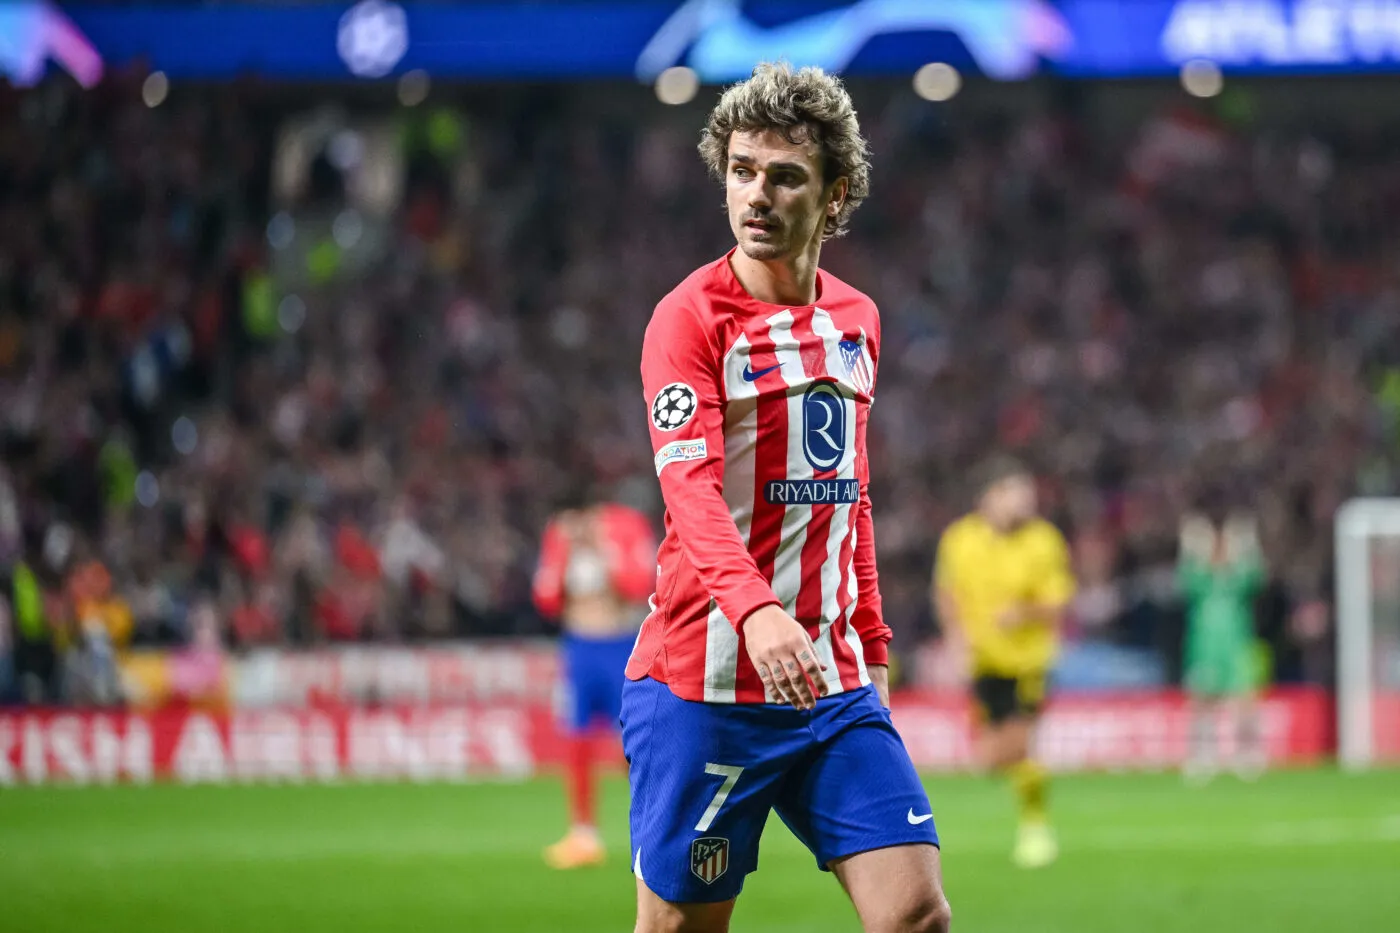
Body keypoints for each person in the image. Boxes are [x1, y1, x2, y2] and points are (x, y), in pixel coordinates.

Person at [626, 62, 949, 933]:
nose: (755, 194)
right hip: (708, 684)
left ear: (836, 194)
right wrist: (757, 612)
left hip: (829, 680)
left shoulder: (858, 320)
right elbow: (687, 489)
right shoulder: (689, 319)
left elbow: (848, 498)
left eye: (784, 176)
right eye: (740, 171)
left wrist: (871, 644)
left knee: (915, 913)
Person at [933, 457, 1074, 869]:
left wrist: (1024, 614)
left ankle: (1036, 826)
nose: (1025, 502)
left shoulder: (1044, 540)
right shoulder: (960, 539)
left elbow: (1059, 601)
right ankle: (1027, 812)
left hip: (1027, 661)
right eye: (1016, 493)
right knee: (990, 757)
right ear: (990, 497)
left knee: (1019, 742)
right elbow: (947, 594)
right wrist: (955, 640)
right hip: (982, 661)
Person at [533, 498, 657, 869]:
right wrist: (568, 552)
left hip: (620, 644)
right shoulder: (560, 535)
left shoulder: (626, 527)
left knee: (634, 742)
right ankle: (583, 834)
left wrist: (602, 551)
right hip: (579, 648)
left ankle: (656, 826)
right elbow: (546, 599)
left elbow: (638, 585)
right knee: (577, 739)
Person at [1177, 508, 1266, 783]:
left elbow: (1258, 575)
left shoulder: (1238, 579)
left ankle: (1247, 753)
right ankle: (1203, 754)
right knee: (1202, 702)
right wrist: (1190, 546)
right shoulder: (1200, 580)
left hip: (1236, 648)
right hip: (1204, 648)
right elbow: (1183, 578)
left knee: (1244, 702)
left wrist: (1248, 544)